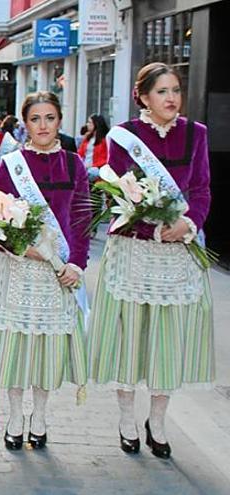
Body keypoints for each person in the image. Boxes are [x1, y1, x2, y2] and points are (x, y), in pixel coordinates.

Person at [87, 63, 213, 459]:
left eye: (176, 89)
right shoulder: (126, 136)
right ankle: (127, 418)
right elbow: (118, 196)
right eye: (162, 91)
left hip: (177, 255)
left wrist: (188, 223)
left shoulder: (197, 134)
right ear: (143, 96)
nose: (171, 98)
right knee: (130, 339)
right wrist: (154, 230)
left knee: (166, 341)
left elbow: (202, 188)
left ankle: (157, 421)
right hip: (135, 251)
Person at [0, 91, 91, 451]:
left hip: (55, 272)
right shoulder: (11, 164)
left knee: (45, 349)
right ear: (24, 123)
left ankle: (41, 415)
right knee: (17, 349)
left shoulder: (75, 165)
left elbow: (81, 219)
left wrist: (76, 262)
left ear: (60, 120)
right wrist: (20, 247)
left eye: (50, 117)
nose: (43, 125)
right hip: (18, 268)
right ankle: (15, 415)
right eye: (35, 119)